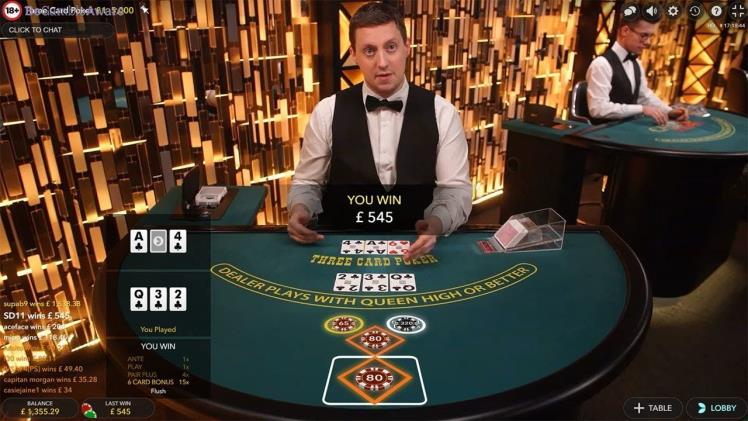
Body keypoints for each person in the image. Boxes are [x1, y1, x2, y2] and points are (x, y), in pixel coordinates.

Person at [287, 1, 471, 261]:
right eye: (369, 51)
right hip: (341, 245)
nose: (382, 62)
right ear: (354, 54)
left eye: (391, 47)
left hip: (417, 245)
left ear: (407, 46)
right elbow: (307, 183)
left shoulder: (443, 113)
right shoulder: (326, 111)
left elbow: (455, 191)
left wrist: (437, 223)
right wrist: (300, 209)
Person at [586, 14, 687, 125]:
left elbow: (644, 97)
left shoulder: (636, 62)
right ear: (625, 31)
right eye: (644, 35)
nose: (648, 42)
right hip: (603, 130)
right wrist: (641, 109)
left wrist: (669, 111)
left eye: (650, 36)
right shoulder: (601, 64)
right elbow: (598, 109)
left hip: (628, 126)